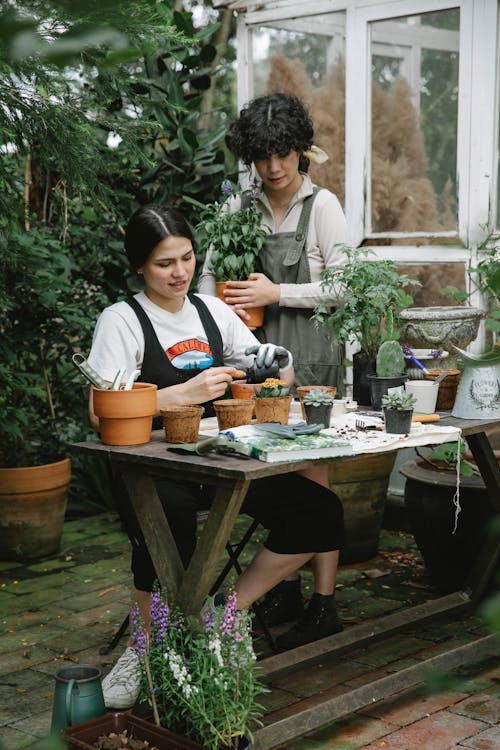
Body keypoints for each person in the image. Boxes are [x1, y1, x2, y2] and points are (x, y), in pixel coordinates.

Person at [87, 204, 345, 710]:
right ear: (140, 266)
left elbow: (276, 376)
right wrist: (182, 393)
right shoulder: (122, 320)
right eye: (165, 264)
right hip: (150, 465)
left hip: (224, 460)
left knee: (321, 513)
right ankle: (143, 649)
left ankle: (220, 619)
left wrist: (271, 365)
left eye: (186, 258)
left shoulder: (212, 311)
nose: (180, 272)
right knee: (166, 518)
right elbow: (101, 411)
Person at [198, 92, 348, 643]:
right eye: (262, 157)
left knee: (314, 473)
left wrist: (277, 291)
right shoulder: (239, 209)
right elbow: (209, 281)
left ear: (301, 150)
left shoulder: (322, 207)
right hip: (253, 359)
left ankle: (323, 602)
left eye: (284, 153)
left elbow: (345, 286)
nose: (274, 168)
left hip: (310, 357)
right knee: (267, 472)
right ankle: (282, 581)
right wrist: (223, 320)